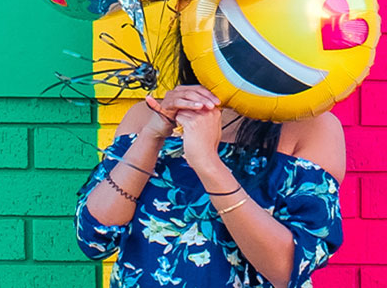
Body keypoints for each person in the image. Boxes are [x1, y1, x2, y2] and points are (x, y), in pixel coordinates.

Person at [74, 40, 346, 288]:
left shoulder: (310, 128)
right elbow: (94, 239)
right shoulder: (146, 117)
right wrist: (152, 136)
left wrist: (207, 163)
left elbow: (289, 269)